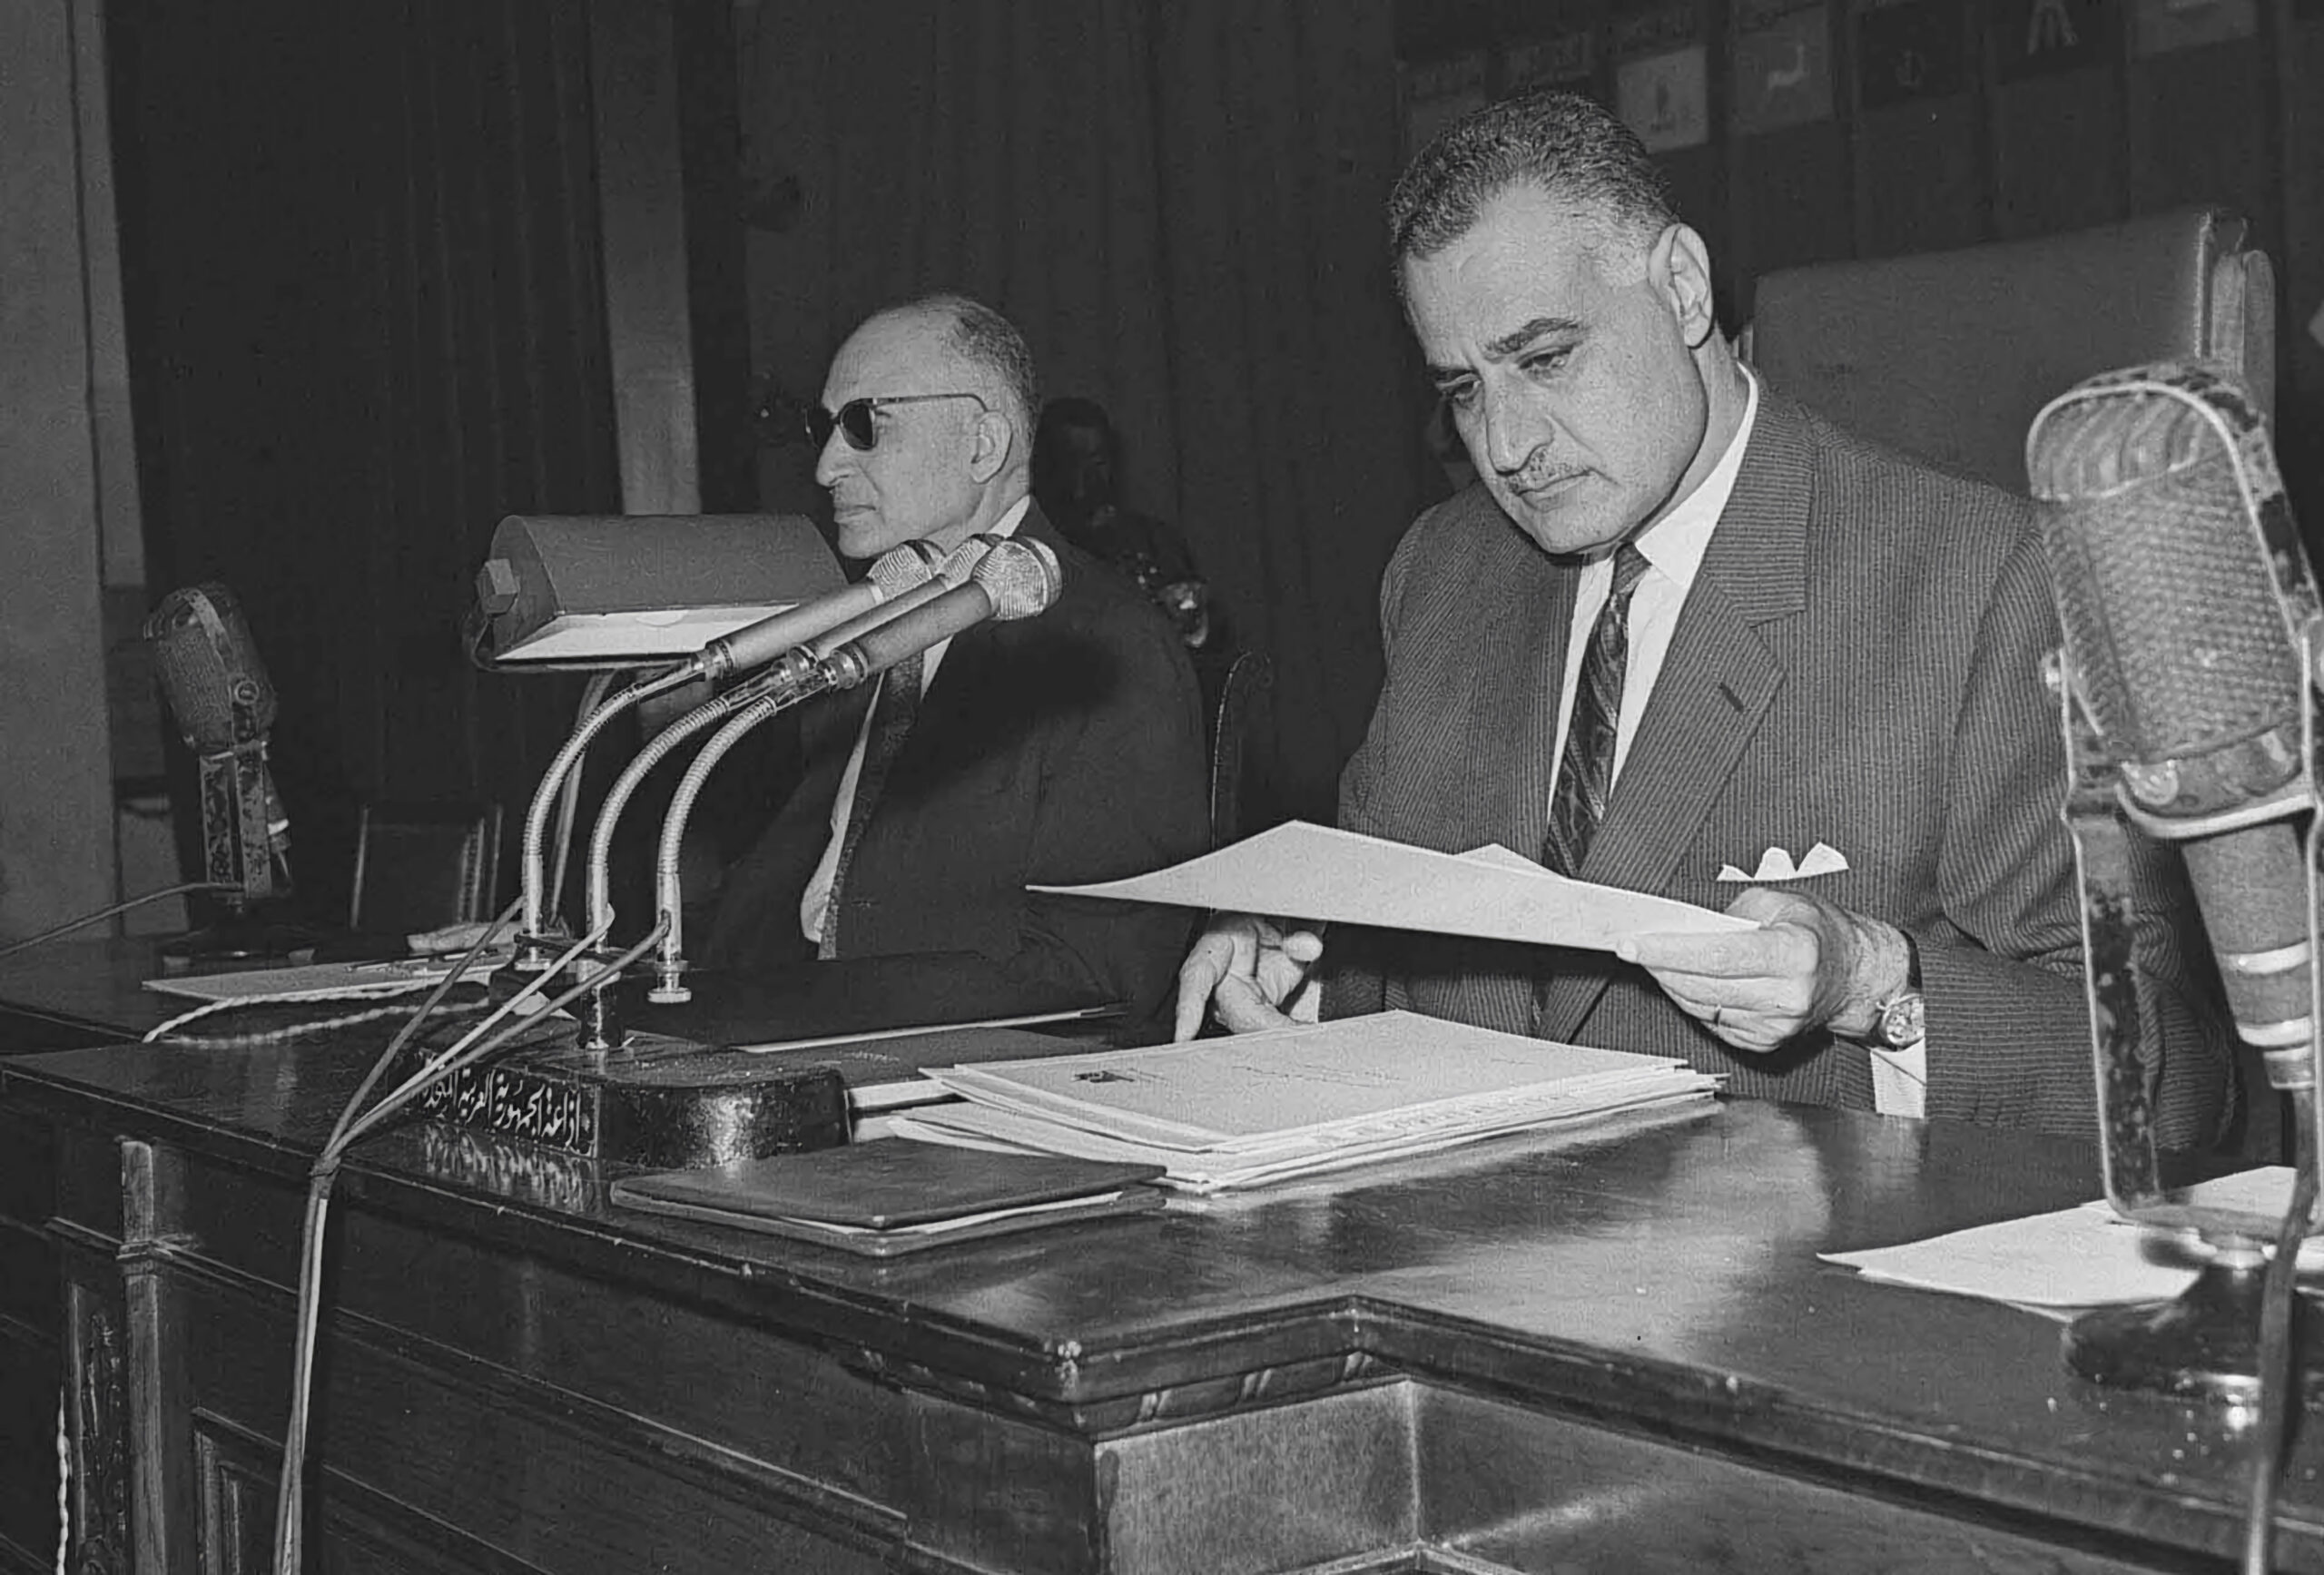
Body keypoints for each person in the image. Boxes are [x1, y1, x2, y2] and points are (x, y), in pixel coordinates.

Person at [1174, 90, 2232, 1145]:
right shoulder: (1445, 570)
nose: (1503, 444)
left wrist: (1872, 983)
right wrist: (1307, 969)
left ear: (1682, 289)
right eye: (1461, 387)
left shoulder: (1982, 579)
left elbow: (2171, 1082)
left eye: (1545, 359)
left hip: (1793, 1286)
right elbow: (1413, 954)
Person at [704, 294, 1209, 1018]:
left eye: (864, 426)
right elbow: (775, 884)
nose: (824, 467)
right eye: (825, 428)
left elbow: (1093, 976)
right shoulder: (854, 627)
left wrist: (832, 1026)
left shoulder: (1109, 648)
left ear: (983, 444)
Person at [1032, 397, 1218, 651]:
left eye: (1096, 462)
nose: (1081, 481)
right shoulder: (1018, 548)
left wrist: (1185, 617)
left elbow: (1201, 644)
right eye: (1068, 462)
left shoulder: (1157, 543)